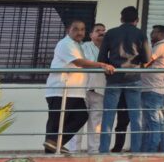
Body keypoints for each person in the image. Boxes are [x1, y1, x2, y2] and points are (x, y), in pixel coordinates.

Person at [44, 20, 115, 154]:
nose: (79, 32)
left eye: (82, 29)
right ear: (68, 31)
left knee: (81, 116)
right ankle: (51, 152)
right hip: (61, 90)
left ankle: (56, 143)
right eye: (76, 29)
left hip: (76, 92)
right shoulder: (66, 44)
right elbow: (79, 62)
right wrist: (102, 65)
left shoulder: (78, 46)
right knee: (56, 123)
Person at [98, 6, 151, 153]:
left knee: (108, 116)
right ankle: (136, 150)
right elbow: (147, 58)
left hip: (114, 78)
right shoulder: (140, 34)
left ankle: (103, 150)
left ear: (121, 18)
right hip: (133, 78)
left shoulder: (111, 33)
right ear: (137, 20)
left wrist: (108, 72)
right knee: (135, 117)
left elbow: (101, 58)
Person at [142, 25, 164, 152]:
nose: (151, 34)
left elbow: (147, 62)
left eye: (153, 32)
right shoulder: (163, 46)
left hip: (152, 89)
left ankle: (151, 151)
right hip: (154, 89)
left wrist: (131, 65)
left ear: (161, 34)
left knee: (153, 123)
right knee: (157, 123)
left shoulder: (162, 46)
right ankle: (161, 150)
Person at [82, 23, 106, 153]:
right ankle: (74, 151)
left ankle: (93, 151)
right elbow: (87, 62)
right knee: (78, 121)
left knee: (96, 123)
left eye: (103, 30)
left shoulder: (109, 48)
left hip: (100, 89)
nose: (101, 32)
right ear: (91, 34)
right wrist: (102, 65)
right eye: (98, 30)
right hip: (83, 89)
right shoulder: (84, 46)